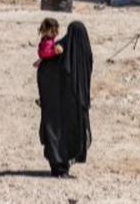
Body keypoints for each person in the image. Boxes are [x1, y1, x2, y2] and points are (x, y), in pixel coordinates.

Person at [36, 21, 93, 177]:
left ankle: (59, 166)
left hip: (57, 103)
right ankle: (61, 167)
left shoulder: (63, 49)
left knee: (57, 131)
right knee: (68, 131)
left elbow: (45, 69)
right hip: (69, 102)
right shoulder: (67, 51)